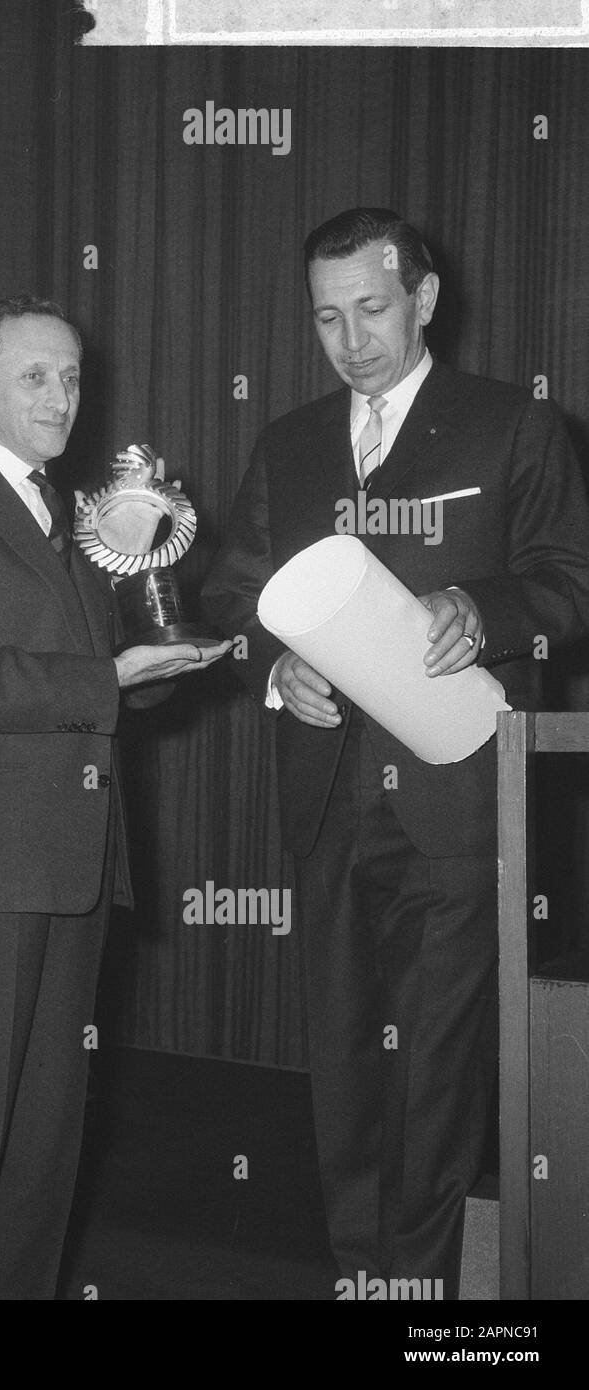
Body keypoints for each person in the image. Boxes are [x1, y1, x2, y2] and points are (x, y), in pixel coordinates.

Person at [202, 208, 589, 1298]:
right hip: (326, 799)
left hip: (457, 801)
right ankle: (356, 1277)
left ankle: (417, 1291)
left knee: (431, 1071)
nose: (350, 338)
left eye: (370, 309)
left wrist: (485, 604)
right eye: (326, 317)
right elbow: (232, 599)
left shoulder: (511, 425)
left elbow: (572, 580)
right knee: (342, 1064)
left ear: (422, 299)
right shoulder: (284, 441)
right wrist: (270, 669)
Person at [0, 294, 228, 1299]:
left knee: (44, 1141)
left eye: (70, 376)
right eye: (34, 375)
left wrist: (156, 670)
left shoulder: (74, 525)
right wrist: (114, 676)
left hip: (72, 862)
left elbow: (81, 690)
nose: (59, 396)